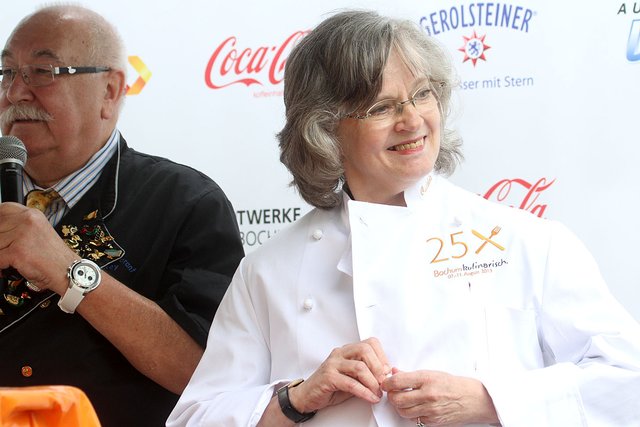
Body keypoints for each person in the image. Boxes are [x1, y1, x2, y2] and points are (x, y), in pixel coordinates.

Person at [167, 9, 640, 427]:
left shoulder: (525, 240)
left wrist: (490, 400)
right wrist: (295, 398)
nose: (412, 121)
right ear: (324, 129)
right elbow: (195, 417)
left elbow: (626, 382)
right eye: (380, 107)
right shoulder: (268, 270)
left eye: (421, 94)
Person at [0, 5, 244, 426]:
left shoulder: (186, 202)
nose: (16, 92)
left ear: (111, 90)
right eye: (7, 73)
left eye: (43, 72)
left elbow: (206, 373)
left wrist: (65, 267)